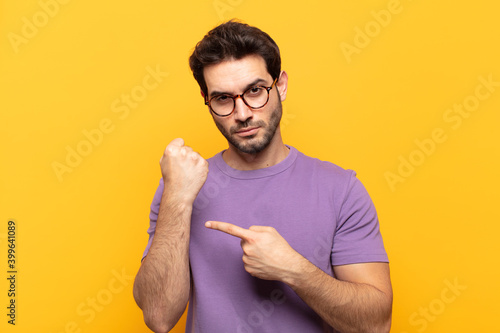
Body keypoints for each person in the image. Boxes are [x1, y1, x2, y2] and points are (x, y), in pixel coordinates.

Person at [133, 20, 392, 333]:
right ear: (207, 99)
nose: (242, 114)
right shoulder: (181, 186)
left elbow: (376, 326)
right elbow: (158, 317)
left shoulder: (341, 189)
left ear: (280, 85)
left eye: (255, 91)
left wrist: (294, 270)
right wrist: (176, 197)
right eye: (223, 99)